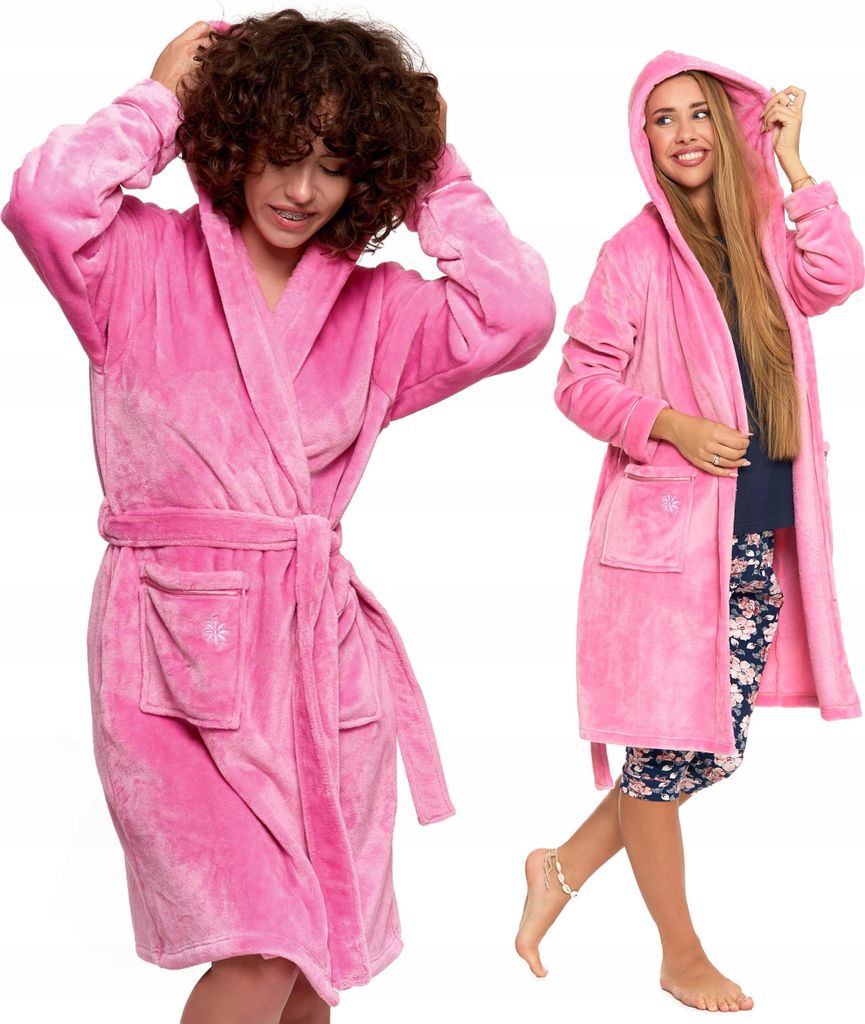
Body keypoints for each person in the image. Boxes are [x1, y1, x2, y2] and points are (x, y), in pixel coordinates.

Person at [2, 11, 555, 1022]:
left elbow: (515, 314)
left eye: (336, 166)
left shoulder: (378, 309)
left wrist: (433, 170)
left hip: (317, 664)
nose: (302, 191)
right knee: (259, 951)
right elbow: (43, 203)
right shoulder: (135, 264)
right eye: (282, 154)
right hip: (170, 657)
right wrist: (157, 103)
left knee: (306, 969)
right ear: (232, 138)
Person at [514, 50, 863, 1013]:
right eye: (661, 120)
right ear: (643, 141)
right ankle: (680, 953)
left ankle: (557, 868)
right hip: (668, 550)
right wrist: (668, 422)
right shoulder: (632, 253)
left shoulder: (764, 233)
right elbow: (579, 382)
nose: (682, 134)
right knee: (666, 753)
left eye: (697, 113)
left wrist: (794, 163)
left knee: (705, 747)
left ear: (727, 122)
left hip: (757, 533)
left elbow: (838, 275)